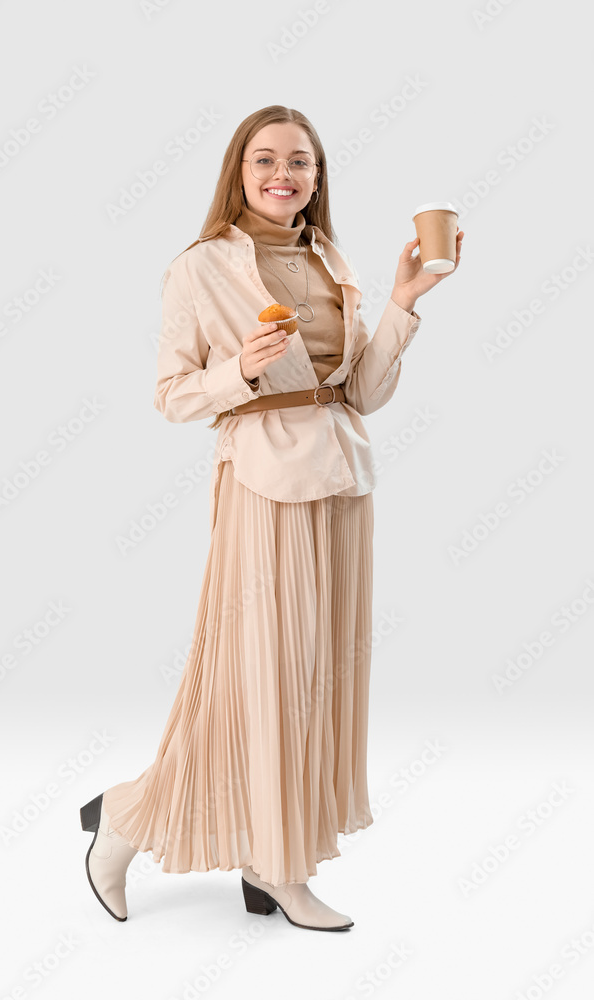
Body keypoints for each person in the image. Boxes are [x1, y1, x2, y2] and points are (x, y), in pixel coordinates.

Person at [80, 104, 463, 932]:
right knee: (253, 685)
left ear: (318, 178)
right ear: (238, 171)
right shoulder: (200, 268)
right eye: (265, 160)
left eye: (300, 162)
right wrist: (240, 375)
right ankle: (129, 817)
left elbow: (359, 392)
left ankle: (273, 858)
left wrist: (401, 303)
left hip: (341, 481)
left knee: (316, 683)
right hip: (264, 483)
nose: (282, 174)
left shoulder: (330, 257)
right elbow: (171, 397)